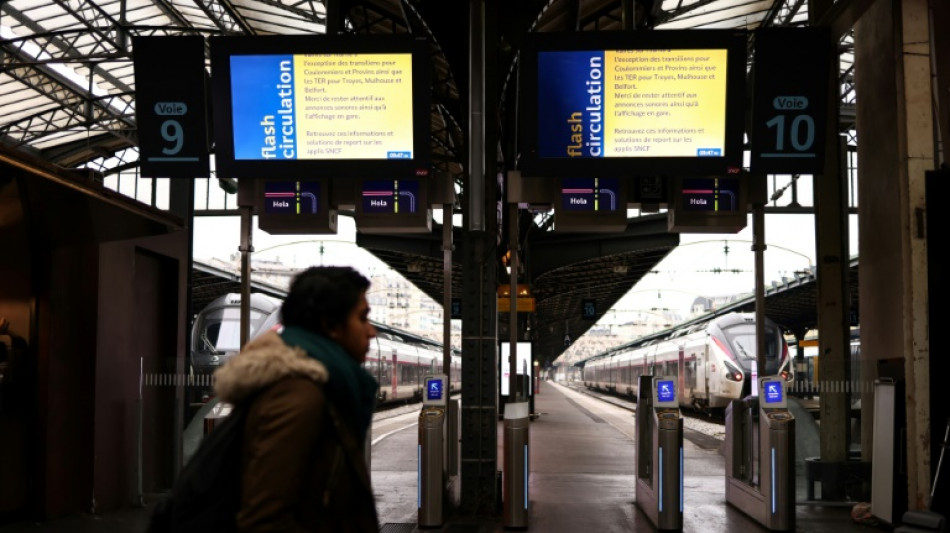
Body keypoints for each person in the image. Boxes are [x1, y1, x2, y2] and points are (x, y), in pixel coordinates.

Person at [213, 266, 380, 532]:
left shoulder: (318, 389)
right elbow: (264, 519)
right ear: (330, 325)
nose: (372, 331)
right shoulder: (298, 398)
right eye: (362, 318)